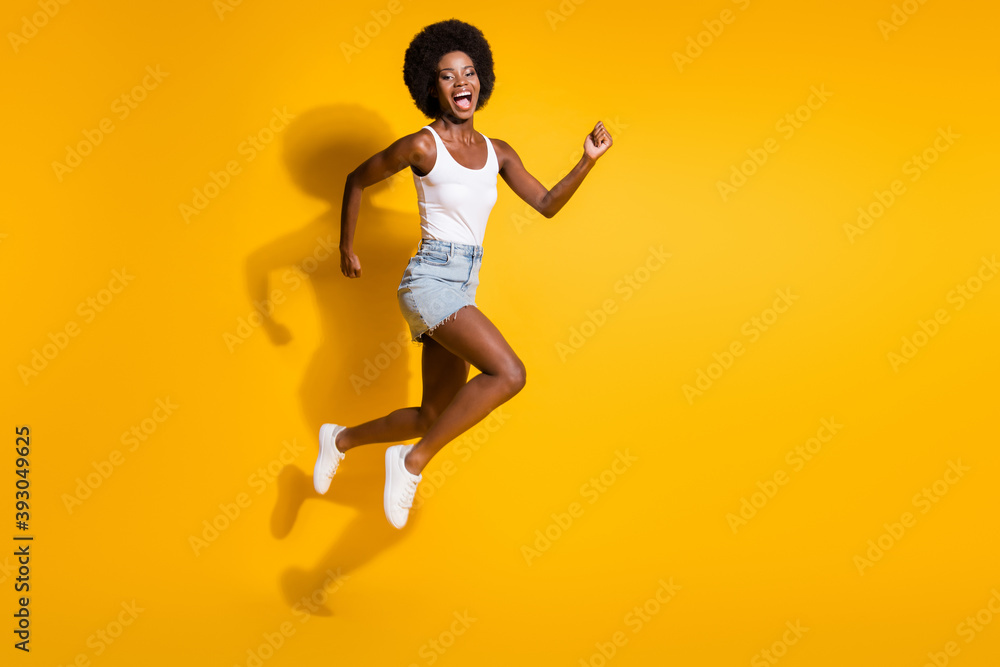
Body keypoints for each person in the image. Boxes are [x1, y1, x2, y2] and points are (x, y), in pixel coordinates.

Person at [313, 18, 612, 528]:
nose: (461, 84)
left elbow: (545, 203)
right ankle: (410, 463)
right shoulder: (422, 146)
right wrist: (347, 247)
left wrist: (586, 161)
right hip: (429, 279)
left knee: (433, 416)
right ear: (433, 87)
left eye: (469, 73)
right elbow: (356, 179)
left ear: (482, 81)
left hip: (463, 282)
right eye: (448, 76)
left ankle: (339, 438)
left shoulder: (499, 153)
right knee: (509, 373)